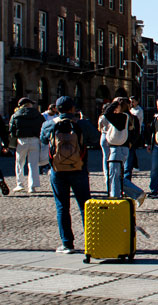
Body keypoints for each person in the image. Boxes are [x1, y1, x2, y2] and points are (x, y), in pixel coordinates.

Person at [42, 97, 94, 253]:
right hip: (79, 168)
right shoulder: (82, 124)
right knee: (85, 206)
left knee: (62, 207)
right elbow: (95, 139)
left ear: (57, 109)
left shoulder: (49, 124)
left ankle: (67, 243)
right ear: (73, 108)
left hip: (58, 171)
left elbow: (44, 140)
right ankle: (91, 241)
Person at [9, 97, 44, 194]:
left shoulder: (15, 115)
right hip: (34, 140)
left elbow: (12, 129)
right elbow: (43, 126)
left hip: (21, 141)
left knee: (19, 163)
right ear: (29, 104)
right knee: (33, 164)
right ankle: (32, 186)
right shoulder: (38, 114)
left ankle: (20, 184)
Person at [126, 97, 146, 183]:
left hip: (135, 132)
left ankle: (134, 165)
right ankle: (135, 165)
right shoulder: (131, 110)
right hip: (131, 132)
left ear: (137, 102)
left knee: (132, 149)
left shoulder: (138, 111)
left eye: (133, 102)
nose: (131, 103)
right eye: (130, 102)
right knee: (132, 151)